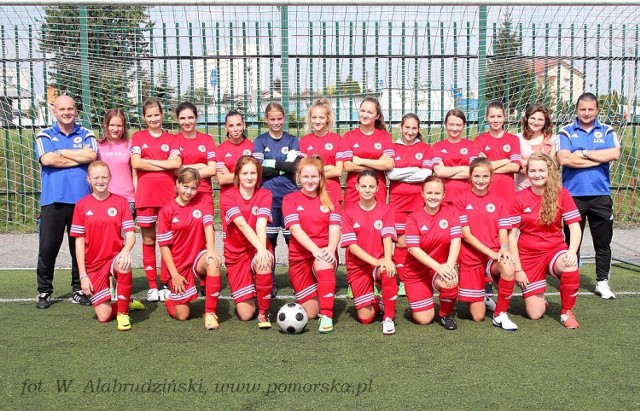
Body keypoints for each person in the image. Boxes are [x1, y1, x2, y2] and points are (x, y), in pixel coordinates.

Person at [34, 95, 98, 309]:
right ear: (54, 111)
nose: (67, 112)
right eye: (62, 109)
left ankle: (79, 289)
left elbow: (91, 155)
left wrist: (61, 152)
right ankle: (44, 291)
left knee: (79, 248)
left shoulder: (87, 133)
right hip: (53, 200)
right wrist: (76, 158)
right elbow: (48, 159)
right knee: (48, 248)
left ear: (76, 110)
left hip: (82, 201)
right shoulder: (44, 134)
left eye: (70, 108)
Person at [557, 92, 621, 300]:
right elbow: (564, 159)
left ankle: (602, 282)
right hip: (572, 196)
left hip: (600, 194)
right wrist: (598, 158)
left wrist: (583, 153)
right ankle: (570, 280)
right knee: (571, 241)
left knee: (602, 242)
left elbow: (614, 154)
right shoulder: (565, 131)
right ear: (576, 110)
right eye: (582, 109)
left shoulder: (607, 130)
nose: (586, 113)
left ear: (597, 110)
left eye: (590, 109)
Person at [509, 152, 582, 329]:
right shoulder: (518, 198)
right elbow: (512, 236)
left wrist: (572, 252)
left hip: (554, 250)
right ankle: (540, 300)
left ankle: (566, 312)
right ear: (526, 173)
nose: (537, 174)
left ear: (549, 172)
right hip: (528, 255)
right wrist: (518, 269)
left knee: (569, 264)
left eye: (541, 170)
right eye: (532, 170)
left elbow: (574, 227)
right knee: (535, 314)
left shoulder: (561, 194)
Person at [70, 161, 145, 331]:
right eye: (96, 177)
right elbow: (79, 242)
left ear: (110, 177)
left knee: (124, 263)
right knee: (103, 317)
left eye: (104, 177)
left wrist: (125, 251)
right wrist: (83, 276)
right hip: (93, 265)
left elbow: (131, 234)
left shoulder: (120, 202)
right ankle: (124, 301)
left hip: (113, 259)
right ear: (89, 179)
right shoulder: (81, 205)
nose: (100, 181)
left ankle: (123, 313)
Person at [454, 157, 517, 330]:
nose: (481, 180)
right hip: (471, 257)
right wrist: (491, 253)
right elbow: (466, 236)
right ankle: (482, 296)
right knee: (478, 316)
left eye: (485, 176)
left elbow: (503, 231)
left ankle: (500, 314)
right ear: (470, 177)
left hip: (493, 255)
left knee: (509, 265)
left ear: (491, 177)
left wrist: (504, 249)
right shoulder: (461, 200)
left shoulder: (499, 201)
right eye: (476, 176)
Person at [157, 168, 223, 329]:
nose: (189, 191)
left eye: (193, 188)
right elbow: (164, 246)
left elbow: (208, 225)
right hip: (178, 264)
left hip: (197, 257)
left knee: (213, 262)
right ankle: (169, 299)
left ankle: (210, 313)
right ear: (178, 184)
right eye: (185, 186)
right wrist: (174, 275)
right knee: (182, 315)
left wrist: (211, 250)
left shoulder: (202, 201)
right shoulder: (167, 211)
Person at [131, 99, 182, 303]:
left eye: (156, 114)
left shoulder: (171, 138)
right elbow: (135, 162)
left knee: (168, 241)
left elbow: (176, 163)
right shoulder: (138, 136)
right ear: (144, 118)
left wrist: (147, 162)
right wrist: (164, 164)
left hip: (167, 195)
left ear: (162, 115)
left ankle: (167, 282)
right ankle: (153, 286)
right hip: (145, 196)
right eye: (149, 115)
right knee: (148, 240)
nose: (153, 118)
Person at [282, 156, 342, 333]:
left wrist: (330, 249)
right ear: (298, 177)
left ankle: (327, 315)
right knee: (309, 313)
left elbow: (335, 228)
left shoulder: (330, 199)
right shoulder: (290, 199)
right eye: (306, 177)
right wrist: (314, 250)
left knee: (323, 262)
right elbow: (295, 230)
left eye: (314, 177)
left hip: (325, 253)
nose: (310, 181)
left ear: (321, 178)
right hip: (300, 257)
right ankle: (320, 292)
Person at [219, 156, 275, 328]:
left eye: (253, 173)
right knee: (245, 315)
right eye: (245, 173)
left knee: (263, 263)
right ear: (237, 175)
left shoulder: (265, 194)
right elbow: (242, 225)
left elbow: (260, 224)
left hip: (258, 249)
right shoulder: (227, 196)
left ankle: (264, 313)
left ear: (258, 175)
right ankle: (245, 287)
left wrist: (262, 250)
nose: (249, 177)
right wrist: (261, 247)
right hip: (236, 254)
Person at [341, 170, 399, 335]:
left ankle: (388, 318)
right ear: (357, 187)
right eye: (364, 186)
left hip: (379, 262)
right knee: (366, 319)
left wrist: (386, 260)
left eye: (371, 186)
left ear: (378, 188)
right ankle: (377, 301)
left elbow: (387, 237)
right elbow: (352, 246)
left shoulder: (386, 210)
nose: (367, 190)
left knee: (387, 271)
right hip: (358, 266)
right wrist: (375, 262)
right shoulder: (349, 212)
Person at [253, 103, 300, 296]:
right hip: (268, 198)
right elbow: (258, 169)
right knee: (268, 241)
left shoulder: (293, 139)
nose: (276, 122)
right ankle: (268, 282)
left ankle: (299, 282)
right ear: (266, 119)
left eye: (279, 118)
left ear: (284, 118)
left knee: (294, 243)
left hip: (289, 197)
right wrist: (282, 165)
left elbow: (293, 167)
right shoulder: (260, 140)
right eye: (272, 119)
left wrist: (270, 164)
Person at [404, 176, 462, 330]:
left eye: (437, 193)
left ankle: (445, 315)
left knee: (450, 280)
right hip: (416, 273)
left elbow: (456, 240)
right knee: (424, 319)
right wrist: (439, 267)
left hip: (439, 267)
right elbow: (413, 249)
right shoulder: (413, 218)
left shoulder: (451, 212)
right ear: (422, 193)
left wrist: (448, 267)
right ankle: (420, 302)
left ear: (443, 195)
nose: (433, 197)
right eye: (429, 193)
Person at [386, 113, 432, 298]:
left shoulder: (425, 148)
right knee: (401, 241)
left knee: (415, 241)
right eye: (407, 127)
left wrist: (403, 172)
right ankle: (403, 280)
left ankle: (414, 276)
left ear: (418, 129)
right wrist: (414, 169)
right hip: (398, 202)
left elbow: (426, 174)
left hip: (417, 203)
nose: (410, 132)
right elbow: (391, 175)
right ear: (401, 127)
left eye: (414, 128)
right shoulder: (392, 147)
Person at [338, 97, 394, 207]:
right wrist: (377, 164)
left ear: (377, 116)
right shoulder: (349, 136)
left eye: (369, 112)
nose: (364, 115)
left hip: (377, 190)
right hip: (354, 191)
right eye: (362, 111)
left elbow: (389, 164)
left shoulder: (384, 136)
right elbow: (348, 166)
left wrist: (360, 160)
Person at [474, 101, 521, 204]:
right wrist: (506, 161)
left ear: (504, 117)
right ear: (486, 118)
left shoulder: (513, 139)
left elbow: (515, 167)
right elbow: (480, 168)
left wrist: (489, 166)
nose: (495, 120)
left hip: (507, 193)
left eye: (499, 116)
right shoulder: (479, 140)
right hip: (486, 190)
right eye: (492, 116)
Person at [432, 109, 482, 205]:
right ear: (445, 124)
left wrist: (447, 171)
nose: (455, 129)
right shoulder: (437, 146)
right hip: (444, 198)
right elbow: (439, 172)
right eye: (451, 124)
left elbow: (473, 172)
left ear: (464, 125)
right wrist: (464, 168)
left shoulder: (472, 146)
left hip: (468, 197)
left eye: (458, 125)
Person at [299, 98, 343, 199]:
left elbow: (338, 171)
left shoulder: (337, 139)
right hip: (311, 192)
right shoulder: (304, 141)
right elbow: (303, 171)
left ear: (327, 118)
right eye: (314, 117)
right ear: (310, 119)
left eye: (321, 118)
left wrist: (313, 175)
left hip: (332, 191)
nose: (317, 121)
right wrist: (330, 167)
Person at [174, 102, 217, 204]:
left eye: (191, 117)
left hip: (203, 192)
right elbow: (175, 170)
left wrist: (185, 170)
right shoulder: (173, 140)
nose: (187, 122)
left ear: (196, 118)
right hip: (181, 194)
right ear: (177, 120)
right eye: (182, 118)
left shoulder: (207, 139)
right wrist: (201, 165)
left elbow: (212, 169)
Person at [97, 109, 136, 219]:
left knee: (123, 235)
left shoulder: (131, 145)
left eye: (119, 126)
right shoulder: (97, 145)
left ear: (124, 127)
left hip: (127, 200)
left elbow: (135, 173)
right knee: (104, 235)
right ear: (106, 125)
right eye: (112, 125)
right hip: (103, 198)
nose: (115, 129)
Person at [516, 104, 558, 192]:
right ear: (526, 119)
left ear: (545, 122)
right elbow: (516, 167)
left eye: (540, 119)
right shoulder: (518, 138)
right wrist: (541, 168)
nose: (536, 122)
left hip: (547, 190)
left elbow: (552, 167)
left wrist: (527, 166)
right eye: (532, 118)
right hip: (523, 189)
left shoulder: (553, 139)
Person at [215, 110, 254, 196]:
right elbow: (222, 179)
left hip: (249, 196)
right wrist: (247, 175)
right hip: (228, 197)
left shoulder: (253, 147)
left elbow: (257, 175)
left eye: (239, 125)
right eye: (231, 126)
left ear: (244, 126)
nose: (235, 129)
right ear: (226, 128)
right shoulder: (220, 150)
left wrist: (229, 175)